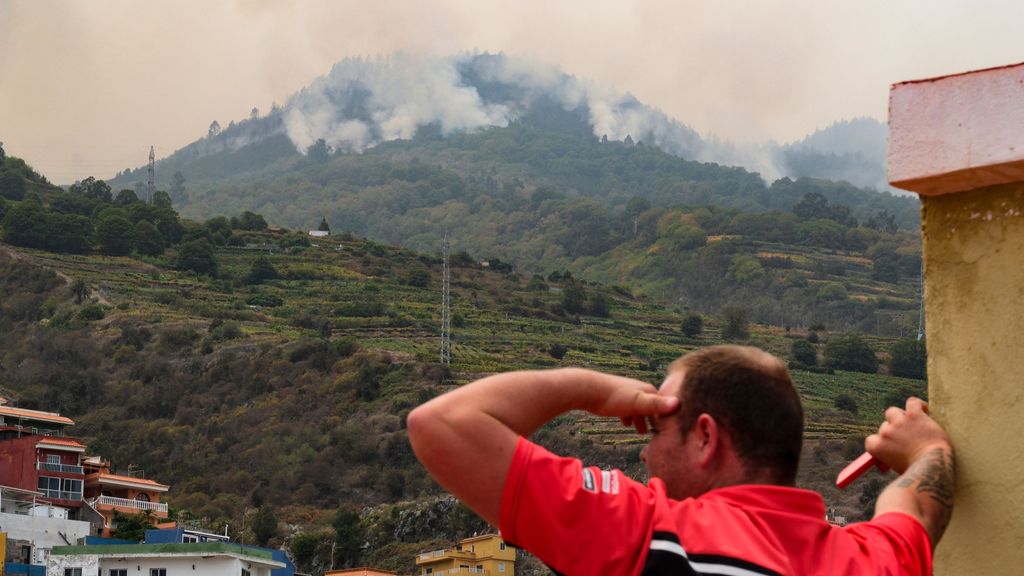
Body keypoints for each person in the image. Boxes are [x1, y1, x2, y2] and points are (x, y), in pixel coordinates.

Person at [408, 345, 954, 575]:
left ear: (706, 438)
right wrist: (926, 446)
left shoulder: (652, 536)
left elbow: (440, 425)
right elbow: (920, 504)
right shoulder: (875, 560)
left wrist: (589, 387)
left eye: (655, 424)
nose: (644, 449)